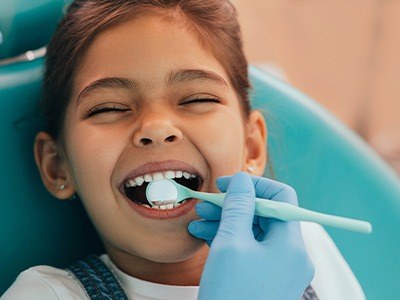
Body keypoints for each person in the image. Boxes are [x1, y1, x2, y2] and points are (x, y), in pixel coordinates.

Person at [2, 0, 365, 299]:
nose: (156, 128)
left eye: (197, 98)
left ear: (252, 146)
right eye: (109, 108)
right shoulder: (45, 295)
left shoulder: (304, 250)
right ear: (57, 166)